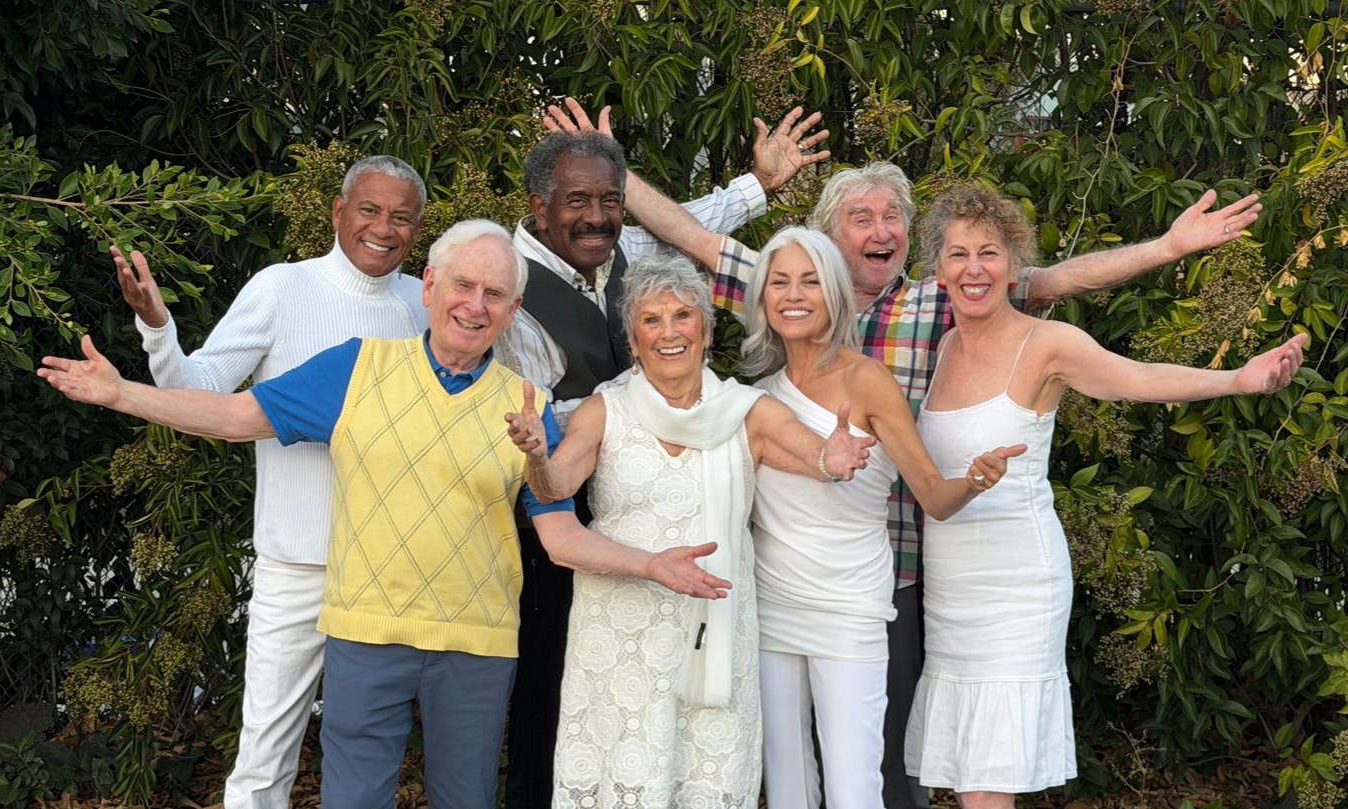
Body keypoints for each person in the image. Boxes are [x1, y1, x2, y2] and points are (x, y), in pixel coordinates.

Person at [598, 148, 1265, 807]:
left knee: (887, 765)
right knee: (784, 759)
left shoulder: (935, 305)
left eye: (893, 216)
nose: (880, 229)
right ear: (830, 237)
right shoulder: (788, 283)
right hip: (787, 579)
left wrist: (1168, 247)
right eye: (860, 216)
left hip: (901, 569)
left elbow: (1054, 280)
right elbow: (692, 239)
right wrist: (606, 169)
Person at [45, 221, 734, 809]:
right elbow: (232, 416)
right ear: (428, 286)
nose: (475, 304)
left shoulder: (525, 404)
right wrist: (121, 394)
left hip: (476, 647)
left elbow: (559, 535)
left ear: (513, 306)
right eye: (462, 285)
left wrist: (650, 564)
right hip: (365, 632)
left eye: (494, 293)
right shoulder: (357, 368)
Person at [903, 185, 1305, 808]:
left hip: (1017, 583)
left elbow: (1135, 380)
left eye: (989, 253)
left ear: (1014, 264)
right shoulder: (942, 341)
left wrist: (1237, 379)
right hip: (952, 585)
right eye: (958, 255)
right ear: (938, 267)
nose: (973, 269)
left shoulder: (1047, 344)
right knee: (965, 768)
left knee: (987, 778)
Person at [503, 106, 829, 809]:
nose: (596, 217)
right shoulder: (504, 284)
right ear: (538, 206)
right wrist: (615, 415)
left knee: (670, 718)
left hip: (656, 509)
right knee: (553, 700)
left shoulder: (631, 252)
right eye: (576, 201)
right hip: (553, 516)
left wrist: (757, 185)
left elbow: (684, 222)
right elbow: (517, 408)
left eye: (607, 201)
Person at [113, 155, 431, 809]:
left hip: (388, 571)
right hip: (296, 563)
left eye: (401, 216)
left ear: (419, 229)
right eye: (368, 209)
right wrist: (155, 325)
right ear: (337, 212)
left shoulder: (426, 303)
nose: (383, 227)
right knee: (264, 758)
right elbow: (199, 391)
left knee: (370, 750)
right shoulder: (282, 288)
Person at [739, 226, 1024, 809]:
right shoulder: (757, 395)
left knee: (854, 787)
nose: (794, 295)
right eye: (780, 282)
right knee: (786, 782)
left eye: (811, 281)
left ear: (835, 295)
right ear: (763, 299)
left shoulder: (865, 379)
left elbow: (933, 496)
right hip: (771, 604)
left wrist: (974, 480)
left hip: (849, 605)